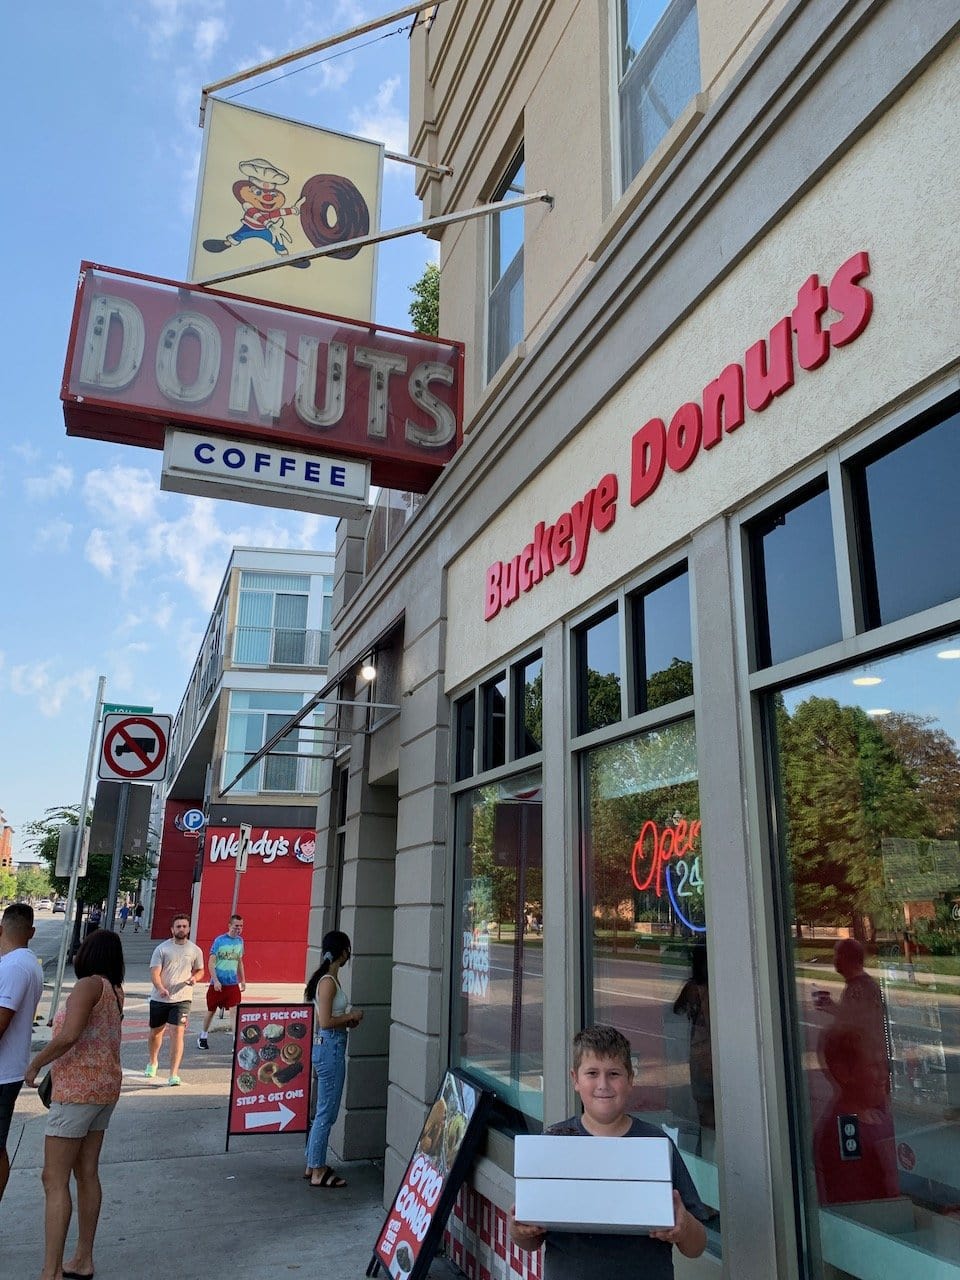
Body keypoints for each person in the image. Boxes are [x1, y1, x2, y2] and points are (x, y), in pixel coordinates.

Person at [510, 1025, 708, 1279]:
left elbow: (696, 1246)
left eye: (613, 1073)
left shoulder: (655, 1145)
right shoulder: (553, 1143)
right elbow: (530, 1241)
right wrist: (518, 1229)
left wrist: (684, 1228)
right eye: (592, 1073)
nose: (603, 1084)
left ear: (630, 1080)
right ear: (575, 1080)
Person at [24, 929, 125, 1280]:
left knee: (53, 1178)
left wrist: (37, 1063)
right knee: (87, 1174)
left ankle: (50, 1271)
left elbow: (70, 1035)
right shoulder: (115, 990)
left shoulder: (88, 986)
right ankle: (82, 1259)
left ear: (90, 954)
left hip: (77, 1091)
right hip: (104, 1090)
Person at [303, 931, 363, 1188]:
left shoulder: (328, 979)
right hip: (331, 1047)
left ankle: (312, 1162)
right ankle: (318, 1170)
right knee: (327, 1112)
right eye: (347, 949)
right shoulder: (328, 982)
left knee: (324, 1110)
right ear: (343, 952)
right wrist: (351, 1017)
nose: (349, 954)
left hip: (331, 1045)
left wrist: (348, 1020)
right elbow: (325, 1022)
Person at [0, 903, 44, 1203]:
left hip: (3, 1072)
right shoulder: (26, 963)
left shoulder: (14, 967)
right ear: (31, 931)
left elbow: (3, 1018)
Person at [145, 913, 203, 1086]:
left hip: (182, 999)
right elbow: (155, 972)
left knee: (178, 1033)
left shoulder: (194, 950)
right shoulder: (162, 949)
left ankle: (173, 1074)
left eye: (184, 926)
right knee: (156, 1032)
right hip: (160, 998)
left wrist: (195, 978)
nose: (181, 929)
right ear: (172, 929)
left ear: (189, 929)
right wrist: (160, 988)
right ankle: (153, 1061)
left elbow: (200, 970)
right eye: (178, 926)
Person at [672, 944, 714, 1131]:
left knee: (705, 1109)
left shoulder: (693, 987)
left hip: (699, 1050)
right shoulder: (707, 988)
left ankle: (706, 1146)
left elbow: (677, 1009)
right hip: (705, 1050)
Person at [197, 914, 246, 1049]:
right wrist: (216, 980)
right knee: (211, 1010)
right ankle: (203, 1035)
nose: (239, 929)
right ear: (229, 925)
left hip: (232, 983)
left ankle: (236, 1041)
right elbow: (211, 962)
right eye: (236, 926)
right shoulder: (219, 941)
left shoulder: (240, 942)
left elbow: (239, 962)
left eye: (241, 926)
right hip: (218, 984)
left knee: (235, 1012)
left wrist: (243, 980)